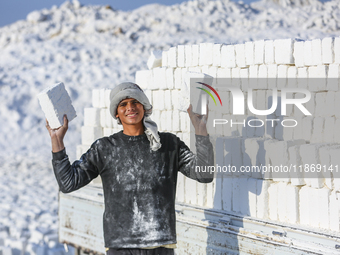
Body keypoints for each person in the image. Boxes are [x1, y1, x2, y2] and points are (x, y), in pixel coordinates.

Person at [46, 82, 214, 255]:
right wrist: (57, 141)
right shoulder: (104, 148)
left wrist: (200, 129)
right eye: (123, 104)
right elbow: (68, 183)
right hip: (121, 248)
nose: (130, 108)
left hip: (161, 247)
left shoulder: (169, 145)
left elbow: (205, 174)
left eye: (135, 102)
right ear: (116, 113)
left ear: (144, 107)